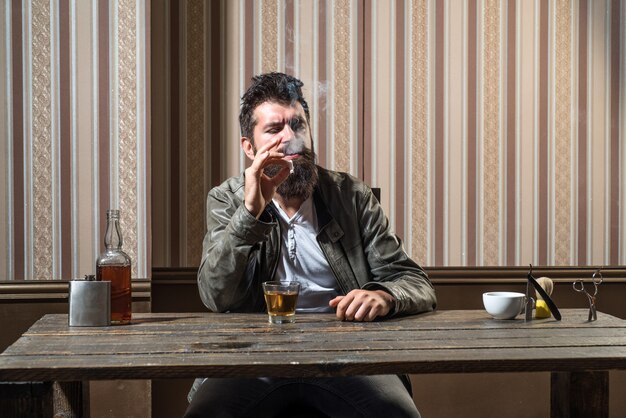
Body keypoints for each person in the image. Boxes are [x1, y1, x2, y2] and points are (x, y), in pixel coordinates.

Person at [185, 72, 437, 418]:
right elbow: (216, 295)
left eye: (298, 125)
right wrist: (251, 213)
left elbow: (417, 284)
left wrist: (384, 295)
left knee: (397, 414)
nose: (291, 138)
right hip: (250, 355)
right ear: (249, 147)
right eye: (275, 129)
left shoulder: (352, 197)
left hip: (346, 355)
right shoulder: (227, 199)